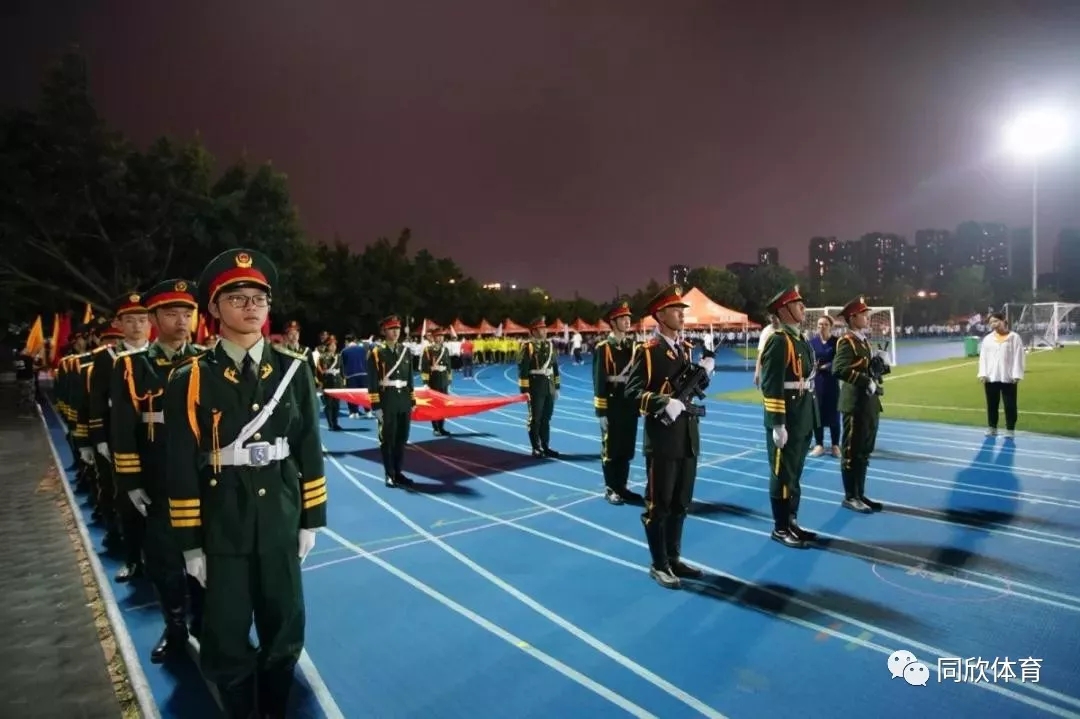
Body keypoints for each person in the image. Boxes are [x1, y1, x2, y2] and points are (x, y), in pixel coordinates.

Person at [164, 248, 327, 717]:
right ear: (214, 309)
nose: (251, 306)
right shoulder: (190, 378)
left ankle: (275, 705)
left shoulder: (294, 369)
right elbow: (181, 465)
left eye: (259, 298)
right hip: (223, 524)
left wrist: (310, 519)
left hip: (280, 517)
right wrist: (190, 544)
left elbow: (309, 447)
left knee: (285, 624)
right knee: (226, 633)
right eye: (237, 298)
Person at [109, 279, 206, 661]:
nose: (181, 321)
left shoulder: (207, 360)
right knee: (165, 559)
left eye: (187, 313)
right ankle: (176, 627)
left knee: (207, 554)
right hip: (159, 478)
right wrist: (131, 482)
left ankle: (204, 623)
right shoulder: (133, 367)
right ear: (153, 318)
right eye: (171, 313)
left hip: (203, 477)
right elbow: (123, 428)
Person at [625, 285, 712, 588]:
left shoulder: (685, 348)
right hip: (662, 440)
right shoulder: (648, 352)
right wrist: (663, 402)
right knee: (658, 504)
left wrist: (704, 372)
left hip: (687, 436)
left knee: (680, 502)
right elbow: (632, 393)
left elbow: (691, 389)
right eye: (675, 310)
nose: (681, 314)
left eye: (682, 309)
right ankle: (659, 563)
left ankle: (674, 558)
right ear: (660, 315)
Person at [89, 294, 152, 578]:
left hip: (155, 437)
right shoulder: (107, 358)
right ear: (119, 324)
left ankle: (158, 559)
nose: (137, 326)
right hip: (121, 438)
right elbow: (97, 400)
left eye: (142, 320)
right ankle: (133, 559)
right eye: (130, 320)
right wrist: (99, 438)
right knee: (127, 500)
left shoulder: (158, 355)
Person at [759, 286, 819, 548]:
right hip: (788, 418)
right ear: (783, 310)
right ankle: (780, 527)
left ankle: (792, 521)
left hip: (802, 415)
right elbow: (771, 384)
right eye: (797, 304)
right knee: (783, 474)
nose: (803, 308)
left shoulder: (800, 339)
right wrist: (777, 423)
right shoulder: (779, 340)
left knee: (794, 474)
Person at [832, 296, 884, 513]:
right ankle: (850, 496)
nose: (867, 317)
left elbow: (866, 368)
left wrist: (880, 365)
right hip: (854, 403)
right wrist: (865, 381)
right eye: (863, 314)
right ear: (852, 318)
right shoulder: (847, 341)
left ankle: (860, 493)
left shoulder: (863, 341)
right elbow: (839, 369)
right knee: (851, 451)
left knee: (864, 451)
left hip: (868, 403)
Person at [592, 300, 643, 505]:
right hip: (612, 405)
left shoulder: (633, 347)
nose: (627, 321)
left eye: (628, 317)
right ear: (613, 322)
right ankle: (611, 488)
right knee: (611, 449)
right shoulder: (603, 348)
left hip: (629, 405)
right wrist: (601, 412)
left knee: (626, 448)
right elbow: (599, 381)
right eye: (623, 318)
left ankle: (622, 487)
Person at [368, 314, 417, 488]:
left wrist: (412, 399)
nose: (395, 332)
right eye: (391, 329)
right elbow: (372, 382)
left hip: (403, 401)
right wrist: (376, 406)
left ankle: (398, 472)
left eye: (397, 328)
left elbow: (409, 378)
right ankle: (389, 474)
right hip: (387, 401)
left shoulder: (405, 351)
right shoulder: (376, 353)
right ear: (384, 331)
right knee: (388, 438)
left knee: (402, 438)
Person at [977, 311, 1025, 438]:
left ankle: (1010, 429)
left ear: (1003, 320)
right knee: (992, 404)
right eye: (991, 322)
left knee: (1010, 405)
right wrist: (983, 373)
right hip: (991, 377)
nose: (993, 324)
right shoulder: (988, 339)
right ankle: (992, 427)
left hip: (1008, 377)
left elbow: (1019, 356)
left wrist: (1017, 374)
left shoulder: (1014, 337)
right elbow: (983, 357)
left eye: (996, 321)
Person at [518, 317, 561, 458]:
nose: (544, 330)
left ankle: (545, 446)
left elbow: (555, 367)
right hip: (535, 387)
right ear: (534, 331)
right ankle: (536, 447)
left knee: (546, 417)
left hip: (549, 386)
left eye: (544, 328)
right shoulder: (528, 347)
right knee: (535, 418)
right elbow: (523, 370)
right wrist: (524, 391)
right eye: (541, 328)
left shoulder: (550, 345)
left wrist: (557, 386)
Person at [809, 315, 841, 457]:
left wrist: (827, 366)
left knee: (834, 414)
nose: (822, 327)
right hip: (817, 382)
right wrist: (812, 366)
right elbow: (808, 359)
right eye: (819, 324)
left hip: (832, 382)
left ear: (830, 326)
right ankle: (819, 444)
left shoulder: (837, 342)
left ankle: (835, 445)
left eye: (825, 324)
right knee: (818, 414)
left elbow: (840, 360)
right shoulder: (812, 342)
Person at [420, 327, 452, 436]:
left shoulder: (445, 350)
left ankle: (442, 427)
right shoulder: (428, 350)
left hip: (443, 381)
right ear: (433, 338)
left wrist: (449, 381)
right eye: (438, 336)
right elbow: (424, 367)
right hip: (433, 381)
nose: (440, 338)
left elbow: (448, 367)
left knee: (443, 406)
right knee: (434, 406)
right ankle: (435, 428)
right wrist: (425, 383)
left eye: (442, 336)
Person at [317, 334, 344, 431]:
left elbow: (342, 369)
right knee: (328, 404)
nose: (333, 347)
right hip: (327, 381)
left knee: (336, 404)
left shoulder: (339, 356)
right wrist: (320, 382)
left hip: (337, 382)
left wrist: (343, 380)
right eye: (331, 345)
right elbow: (320, 370)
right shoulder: (323, 357)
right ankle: (330, 424)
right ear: (327, 346)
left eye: (334, 345)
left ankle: (335, 423)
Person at [753, 316, 780, 387]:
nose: (775, 320)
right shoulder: (766, 332)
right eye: (773, 318)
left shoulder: (785, 328)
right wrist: (757, 373)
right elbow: (761, 353)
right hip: (770, 368)